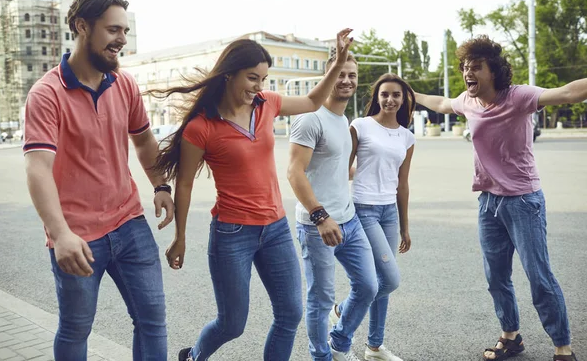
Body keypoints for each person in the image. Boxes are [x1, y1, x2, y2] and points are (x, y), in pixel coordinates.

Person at [152, 29, 354, 361]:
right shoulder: (200, 127)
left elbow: (313, 101)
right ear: (229, 74)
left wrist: (338, 62)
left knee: (290, 314)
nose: (258, 86)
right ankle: (192, 357)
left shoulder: (267, 104)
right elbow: (184, 185)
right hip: (232, 233)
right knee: (232, 324)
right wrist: (181, 236)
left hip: (275, 229)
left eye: (262, 78)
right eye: (251, 78)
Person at [23, 0, 172, 360]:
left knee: (152, 319)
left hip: (129, 222)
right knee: (76, 329)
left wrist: (161, 184)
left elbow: (143, 140)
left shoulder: (124, 83)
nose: (122, 39)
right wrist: (60, 235)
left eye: (125, 30)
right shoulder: (46, 94)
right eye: (113, 30)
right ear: (82, 26)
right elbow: (38, 168)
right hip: (77, 237)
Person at [415, 35, 584, 361]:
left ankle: (562, 347)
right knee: (496, 277)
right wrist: (411, 93)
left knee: (540, 278)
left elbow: (565, 93)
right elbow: (441, 103)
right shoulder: (468, 100)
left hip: (523, 201)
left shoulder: (518, 96)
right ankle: (511, 336)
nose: (468, 72)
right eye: (465, 67)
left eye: (475, 67)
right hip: (488, 202)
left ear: (493, 70)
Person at [288, 53, 378, 361]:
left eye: (352, 75)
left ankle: (339, 342)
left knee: (368, 286)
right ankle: (321, 356)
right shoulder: (310, 118)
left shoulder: (342, 121)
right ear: (327, 77)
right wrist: (320, 215)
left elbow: (337, 168)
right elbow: (294, 172)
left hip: (349, 220)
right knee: (321, 300)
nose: (346, 80)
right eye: (340, 73)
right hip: (317, 226)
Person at [334, 73, 416, 361]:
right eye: (385, 94)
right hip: (363, 209)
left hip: (389, 213)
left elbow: (402, 183)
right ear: (377, 97)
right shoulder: (361, 126)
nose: (390, 99)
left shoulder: (407, 136)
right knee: (390, 279)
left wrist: (405, 226)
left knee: (383, 282)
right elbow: (342, 168)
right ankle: (344, 310)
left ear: (403, 99)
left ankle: (375, 347)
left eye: (396, 94)